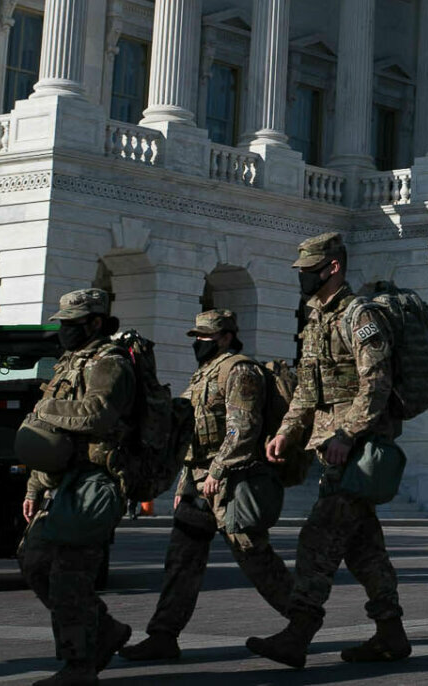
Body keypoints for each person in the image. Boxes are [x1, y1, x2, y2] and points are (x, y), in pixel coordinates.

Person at [248, 232, 411, 669]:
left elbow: (376, 384)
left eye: (309, 269)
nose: (302, 276)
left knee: (317, 540)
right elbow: (307, 388)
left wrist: (346, 434)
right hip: (331, 450)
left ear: (333, 267)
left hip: (356, 451)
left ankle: (299, 633)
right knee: (364, 549)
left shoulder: (360, 315)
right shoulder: (317, 318)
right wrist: (286, 432)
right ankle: (391, 633)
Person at [124, 309, 292, 660]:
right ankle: (163, 636)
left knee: (254, 557)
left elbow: (243, 428)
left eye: (205, 336)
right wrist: (184, 483)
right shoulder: (204, 373)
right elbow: (192, 435)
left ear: (227, 337)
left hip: (231, 482)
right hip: (198, 484)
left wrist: (217, 470)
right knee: (181, 560)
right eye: (196, 336)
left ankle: (303, 619)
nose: (198, 342)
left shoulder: (239, 370)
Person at [19, 287, 136, 684]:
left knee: (69, 575)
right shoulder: (70, 363)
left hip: (95, 482)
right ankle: (105, 629)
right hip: (62, 480)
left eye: (71, 324)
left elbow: (98, 414)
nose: (64, 331)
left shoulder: (110, 363)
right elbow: (49, 433)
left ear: (95, 322)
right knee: (34, 561)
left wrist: (44, 407)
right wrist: (35, 486)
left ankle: (79, 665)